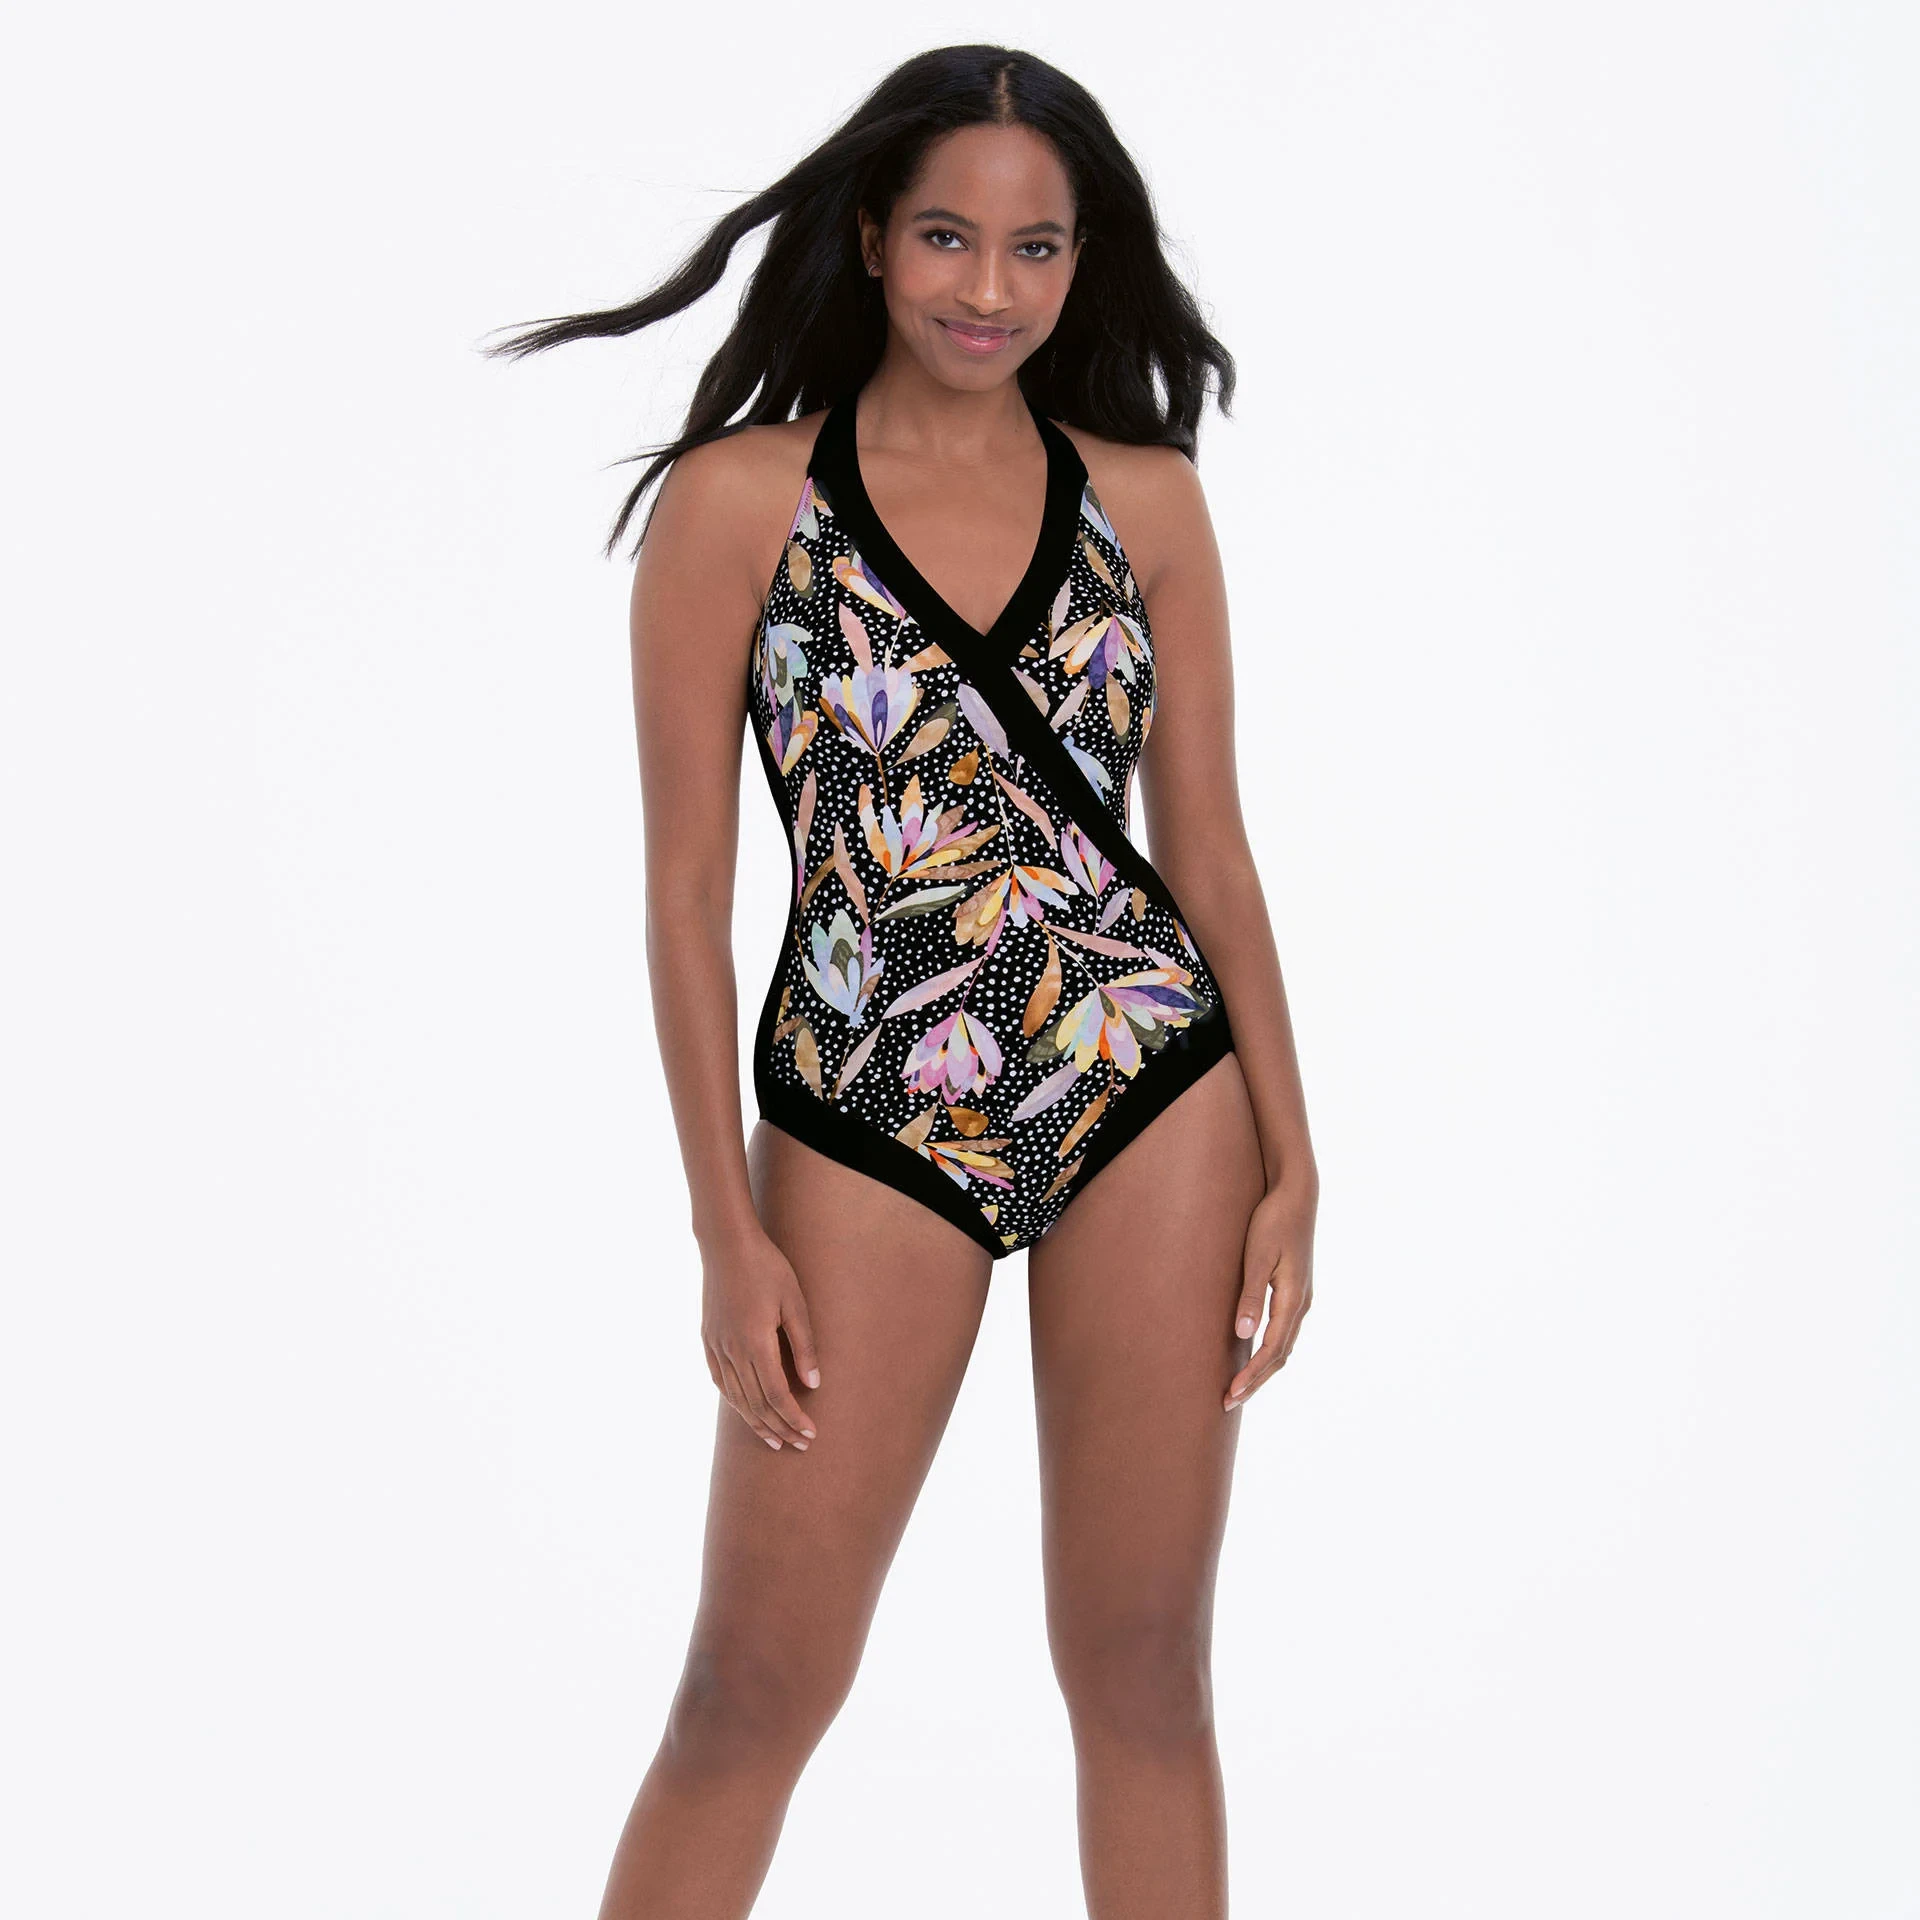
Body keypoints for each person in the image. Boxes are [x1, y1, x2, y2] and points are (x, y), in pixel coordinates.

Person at [488, 42, 1318, 1920]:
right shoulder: (741, 503)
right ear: (870, 237)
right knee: (748, 1691)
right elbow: (683, 893)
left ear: (1083, 261)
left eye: (1035, 248)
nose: (987, 289)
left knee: (1145, 1678)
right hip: (865, 1110)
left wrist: (1297, 1158)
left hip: (1148, 1088)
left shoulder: (1150, 505)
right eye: (947, 236)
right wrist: (724, 1228)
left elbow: (1212, 854)